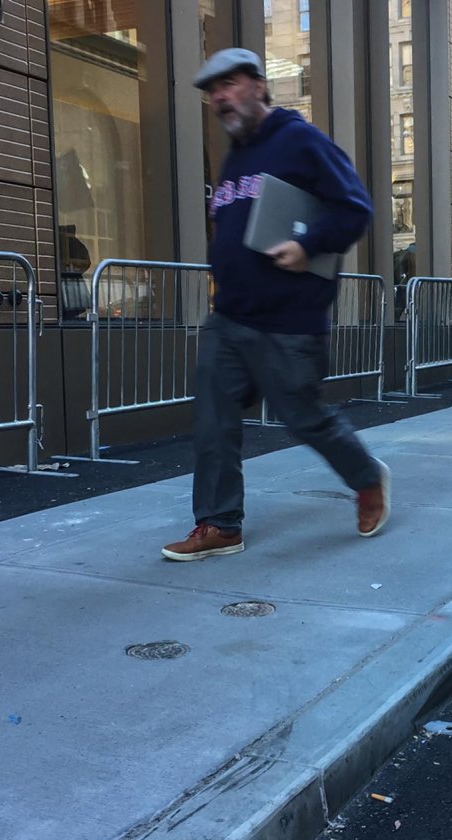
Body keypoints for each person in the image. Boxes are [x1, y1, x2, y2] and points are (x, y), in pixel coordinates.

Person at [161, 48, 389, 562]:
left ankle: (367, 477)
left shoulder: (299, 140)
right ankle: (219, 524)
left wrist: (307, 245)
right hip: (230, 318)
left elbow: (355, 208)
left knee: (304, 418)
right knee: (213, 419)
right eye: (212, 90)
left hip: (289, 320)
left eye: (231, 84)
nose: (220, 97)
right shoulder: (234, 157)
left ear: (260, 86)